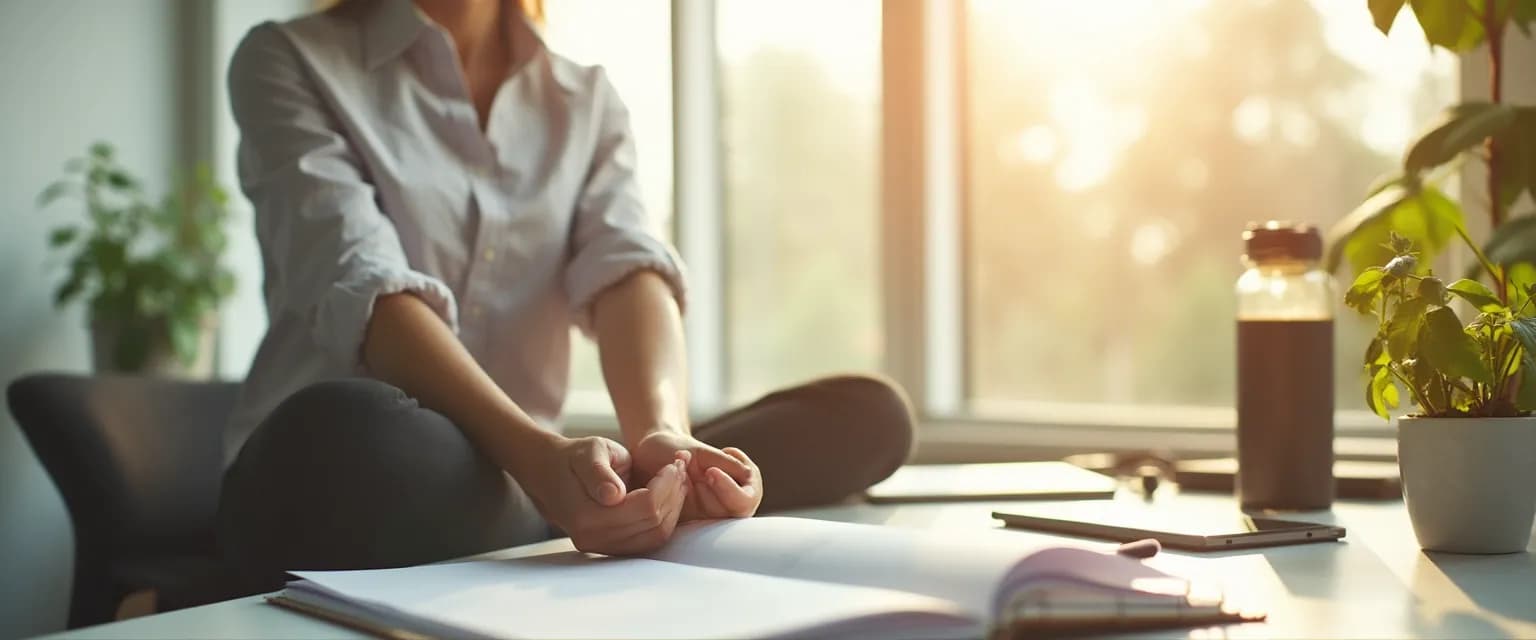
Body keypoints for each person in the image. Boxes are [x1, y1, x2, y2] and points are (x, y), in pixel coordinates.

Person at [216, 0, 914, 588]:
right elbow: (365, 279)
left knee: (870, 414)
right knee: (368, 432)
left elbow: (629, 268)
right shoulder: (287, 58)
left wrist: (662, 442)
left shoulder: (585, 99)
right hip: (345, 473)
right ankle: (571, 515)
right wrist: (540, 458)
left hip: (512, 487)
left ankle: (599, 511)